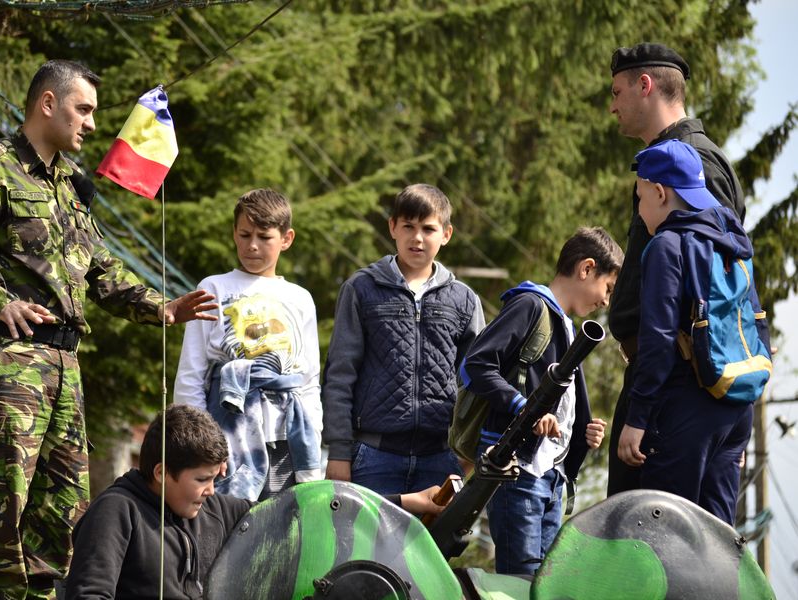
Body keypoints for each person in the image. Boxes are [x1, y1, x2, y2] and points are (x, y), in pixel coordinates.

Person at [0, 60, 218, 599]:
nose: (91, 123)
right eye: (83, 109)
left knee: (61, 513)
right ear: (48, 103)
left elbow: (101, 271)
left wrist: (162, 307)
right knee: (0, 513)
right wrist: (0, 303)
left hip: (65, 369)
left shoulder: (71, 185)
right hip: (9, 363)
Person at [64, 405, 449, 599]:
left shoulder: (215, 510)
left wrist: (405, 502)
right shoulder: (117, 512)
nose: (211, 490)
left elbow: (304, 510)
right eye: (201, 479)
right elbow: (90, 595)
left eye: (215, 479)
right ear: (162, 472)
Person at [606, 42, 746, 496]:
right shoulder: (669, 157)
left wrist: (718, 410)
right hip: (668, 381)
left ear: (645, 85)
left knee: (647, 527)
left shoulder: (691, 160)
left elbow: (720, 286)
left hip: (678, 386)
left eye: (617, 92)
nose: (613, 107)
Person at [617, 139, 765, 525]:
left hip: (687, 406)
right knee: (717, 536)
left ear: (660, 192)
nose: (640, 210)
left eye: (640, 198)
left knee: (666, 533)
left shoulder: (667, 246)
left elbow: (658, 340)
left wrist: (637, 418)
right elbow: (757, 321)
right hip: (735, 406)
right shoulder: (732, 241)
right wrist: (739, 414)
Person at [460, 227, 620, 575]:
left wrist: (582, 432)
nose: (606, 301)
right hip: (518, 471)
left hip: (551, 478)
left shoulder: (567, 327)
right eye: (607, 288)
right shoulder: (530, 305)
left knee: (543, 584)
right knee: (522, 580)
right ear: (586, 268)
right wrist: (524, 409)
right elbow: (475, 365)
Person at [322, 183, 485, 496]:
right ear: (392, 227)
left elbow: (478, 383)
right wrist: (339, 452)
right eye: (408, 226)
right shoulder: (361, 289)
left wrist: (467, 454)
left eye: (428, 229)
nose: (417, 237)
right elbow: (340, 375)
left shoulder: (464, 300)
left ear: (446, 234)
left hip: (442, 459)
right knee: (368, 532)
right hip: (372, 456)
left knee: (438, 534)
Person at [174, 189, 322, 501]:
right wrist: (200, 443)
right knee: (226, 519)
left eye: (264, 237)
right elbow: (191, 374)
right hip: (226, 435)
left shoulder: (301, 298)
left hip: (286, 439)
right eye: (245, 235)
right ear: (234, 234)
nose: (252, 245)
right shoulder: (213, 287)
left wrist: (313, 433)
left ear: (286, 238)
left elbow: (309, 381)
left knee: (282, 521)